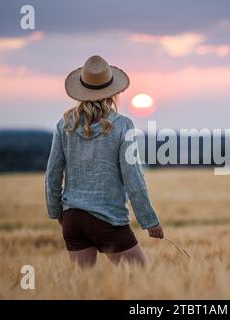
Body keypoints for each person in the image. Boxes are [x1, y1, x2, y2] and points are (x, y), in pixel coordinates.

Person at [45, 55, 163, 268]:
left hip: (73, 218)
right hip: (108, 218)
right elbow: (133, 177)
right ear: (113, 92)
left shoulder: (64, 125)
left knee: (84, 290)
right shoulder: (122, 125)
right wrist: (149, 221)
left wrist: (59, 213)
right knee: (143, 280)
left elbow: (52, 175)